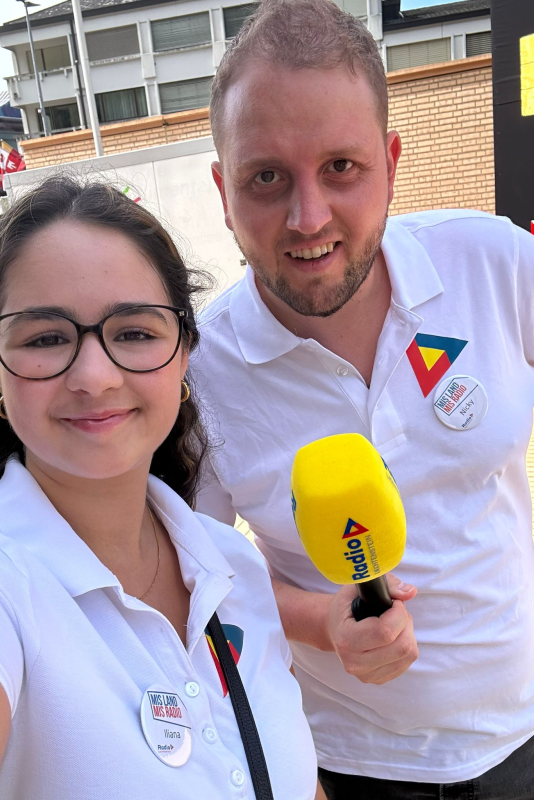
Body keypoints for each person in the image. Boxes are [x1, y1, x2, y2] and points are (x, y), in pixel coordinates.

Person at [191, 1, 534, 797]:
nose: (308, 219)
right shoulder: (197, 374)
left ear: (391, 161)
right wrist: (321, 621)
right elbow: (195, 578)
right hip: (347, 764)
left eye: (341, 168)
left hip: (524, 732)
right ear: (222, 188)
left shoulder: (494, 265)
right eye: (266, 177)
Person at [0, 177, 323, 800]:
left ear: (184, 352)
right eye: (44, 338)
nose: (94, 376)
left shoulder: (234, 567)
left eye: (135, 333)